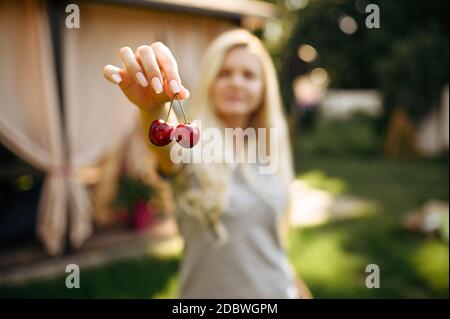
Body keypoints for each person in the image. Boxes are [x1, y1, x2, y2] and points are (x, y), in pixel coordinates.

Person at [103, 28, 312, 299]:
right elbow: (166, 153)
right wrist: (151, 108)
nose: (236, 82)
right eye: (224, 73)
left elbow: (269, 244)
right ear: (210, 80)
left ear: (264, 88)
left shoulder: (270, 148)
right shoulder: (191, 142)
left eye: (248, 75)